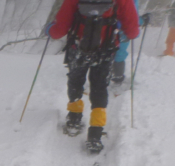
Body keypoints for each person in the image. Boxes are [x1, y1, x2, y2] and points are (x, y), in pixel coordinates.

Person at [48, 0, 140, 153]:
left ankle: (74, 119)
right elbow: (132, 32)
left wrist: (50, 29)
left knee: (75, 81)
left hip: (78, 47)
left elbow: (59, 30)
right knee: (99, 87)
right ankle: (95, 134)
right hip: (105, 48)